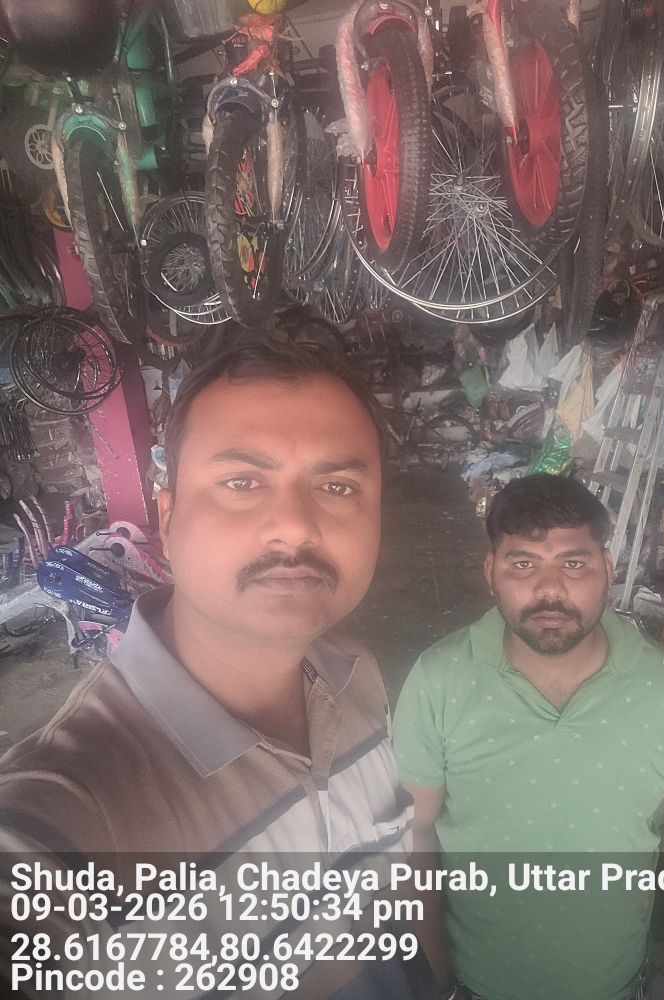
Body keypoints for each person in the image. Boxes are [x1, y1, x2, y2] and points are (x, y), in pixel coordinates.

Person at [0, 342, 429, 999]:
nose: (295, 527)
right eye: (242, 482)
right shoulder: (70, 814)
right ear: (168, 520)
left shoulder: (360, 678)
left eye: (338, 486)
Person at [392, 474, 664, 1000]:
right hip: (474, 985)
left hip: (620, 985)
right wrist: (434, 982)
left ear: (608, 570)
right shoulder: (439, 680)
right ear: (491, 572)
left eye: (573, 564)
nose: (550, 590)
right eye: (523, 564)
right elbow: (413, 835)